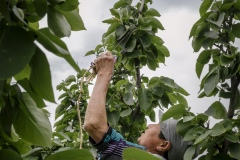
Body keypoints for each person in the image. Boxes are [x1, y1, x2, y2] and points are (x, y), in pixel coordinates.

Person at [83, 52, 191, 160]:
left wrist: (104, 72)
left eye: (158, 127)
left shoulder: (138, 157)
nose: (150, 125)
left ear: (163, 145)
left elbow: (94, 125)